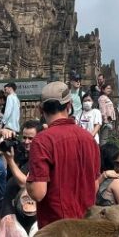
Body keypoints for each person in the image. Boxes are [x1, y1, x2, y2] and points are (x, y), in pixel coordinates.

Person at [26, 81, 100, 228]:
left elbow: (38, 193)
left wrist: (29, 181)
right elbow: (95, 185)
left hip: (57, 231)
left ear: (41, 110)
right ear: (69, 105)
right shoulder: (89, 139)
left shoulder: (42, 140)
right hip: (86, 225)